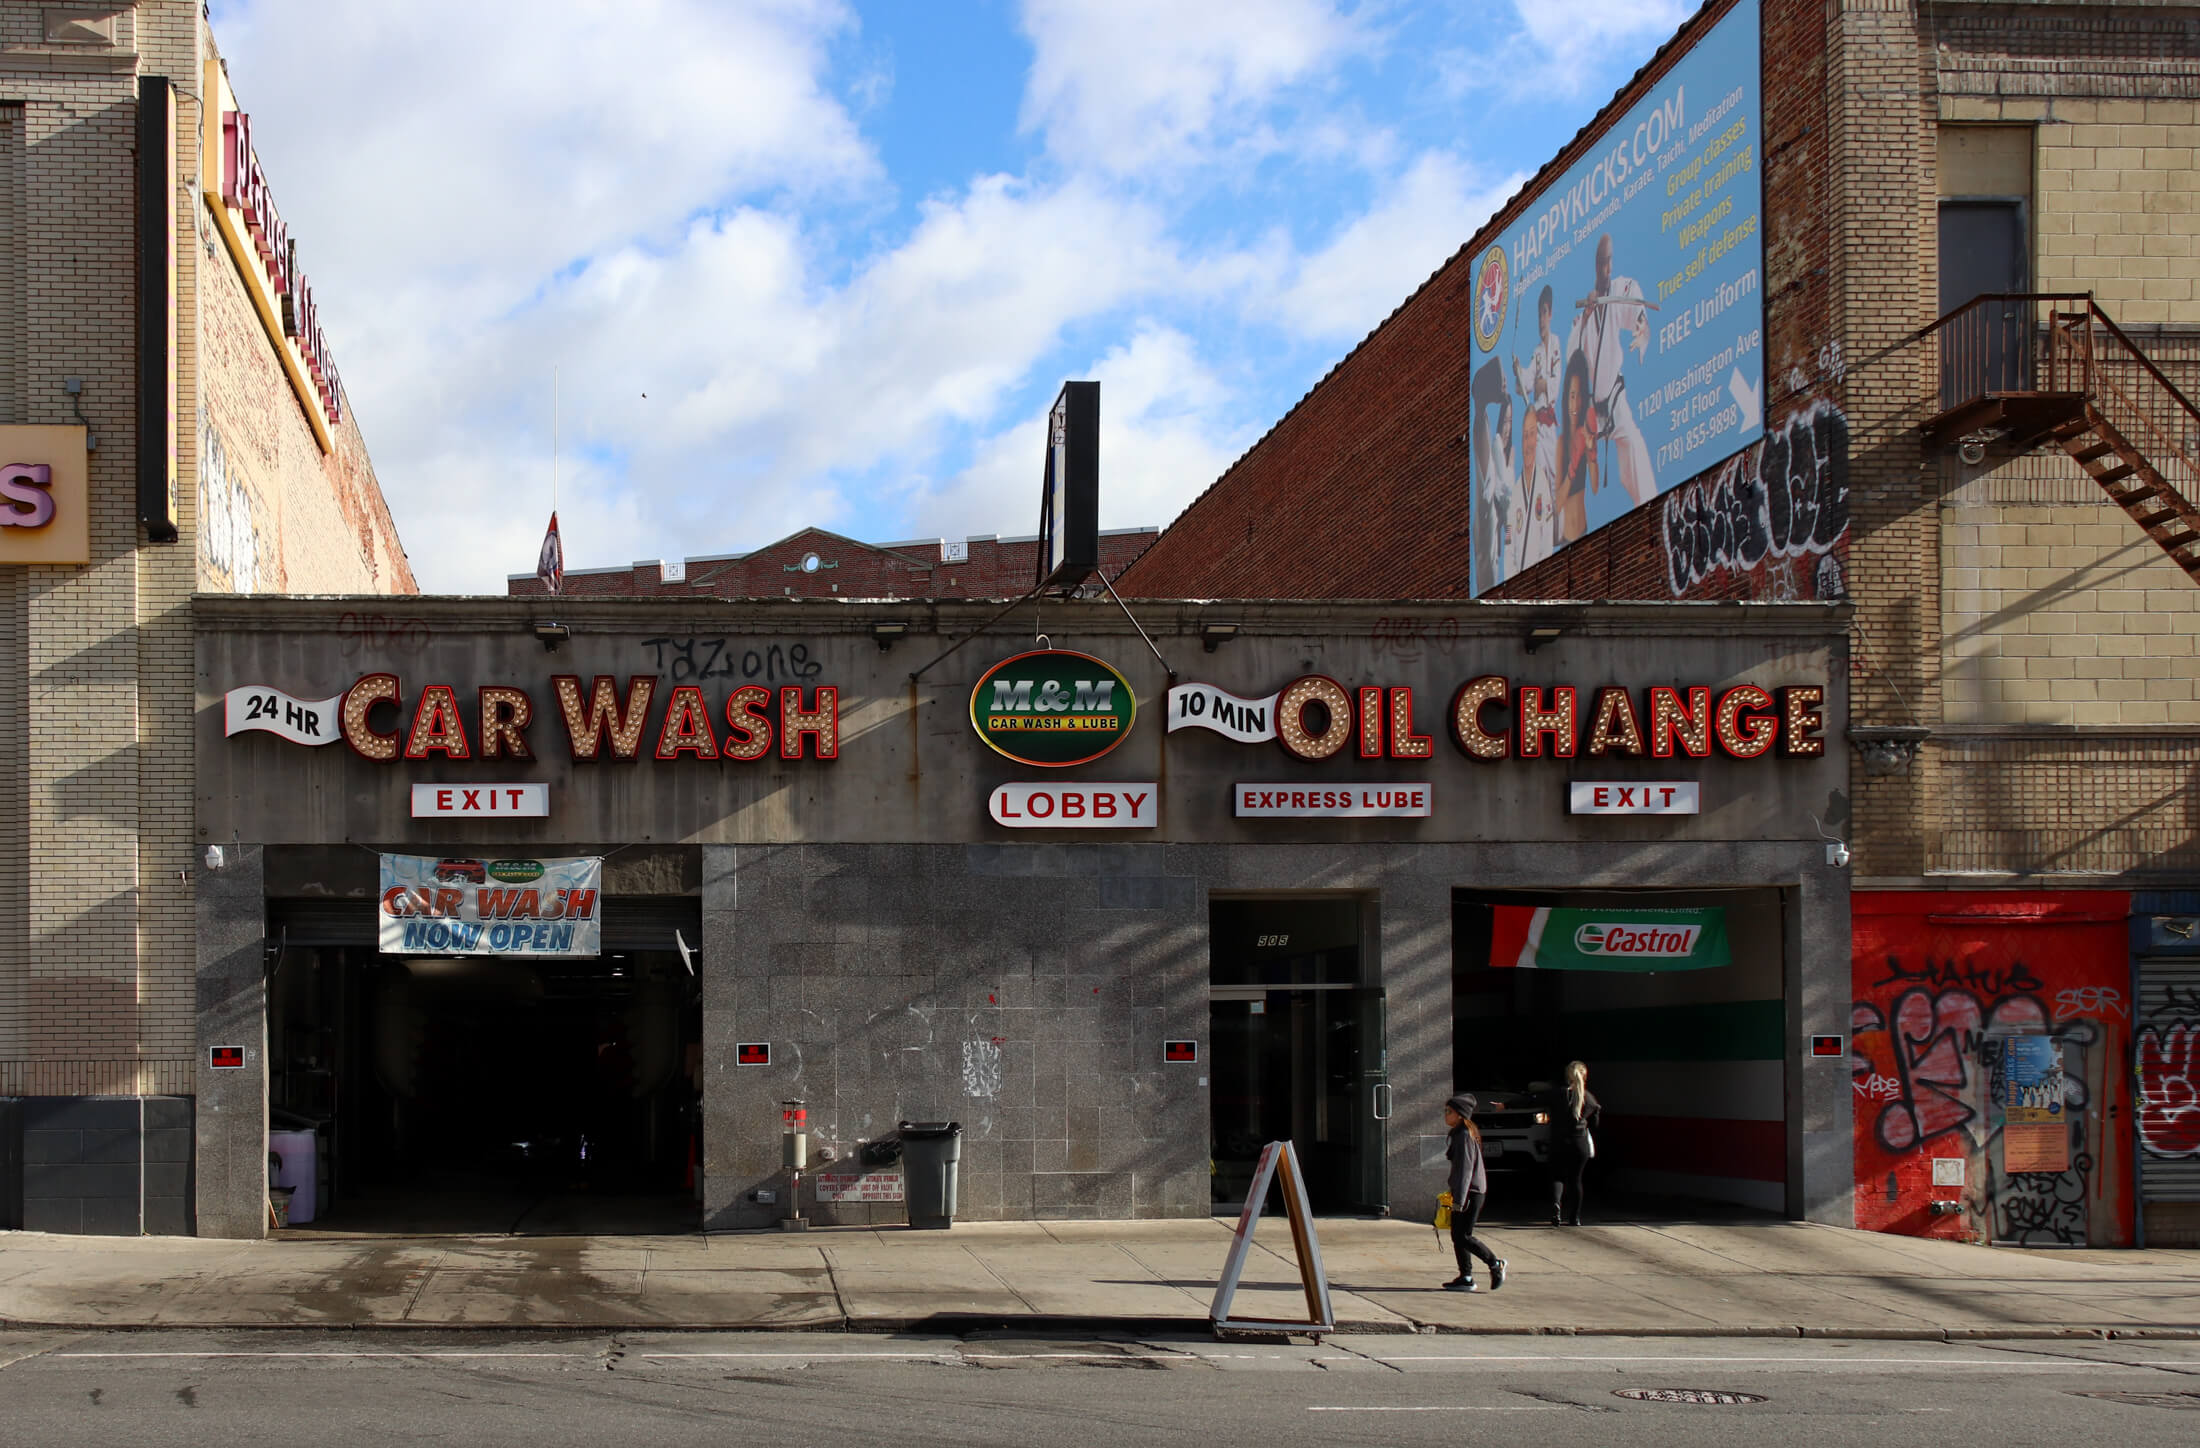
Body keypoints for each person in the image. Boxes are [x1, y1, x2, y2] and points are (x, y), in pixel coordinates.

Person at [1567, 233, 1657, 506]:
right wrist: (1585, 316)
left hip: (1613, 398)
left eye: (1609, 263)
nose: (1606, 269)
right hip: (1590, 408)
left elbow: (1637, 312)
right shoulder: (1586, 311)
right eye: (1601, 264)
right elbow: (1573, 352)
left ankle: (1650, 503)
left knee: (1632, 447)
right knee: (1571, 469)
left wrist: (1642, 328)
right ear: (1595, 266)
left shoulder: (1619, 291)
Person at [1442, 1093, 1507, 1292]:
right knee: (1457, 1235)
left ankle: (1495, 1264)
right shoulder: (1460, 1133)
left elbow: (1465, 1170)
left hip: (1470, 1193)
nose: (1445, 1115)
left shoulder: (1463, 1136)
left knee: (1464, 1236)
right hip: (1465, 1192)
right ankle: (1466, 1277)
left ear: (1460, 1115)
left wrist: (1459, 1200)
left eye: (1449, 1111)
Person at [1549, 1060, 1601, 1227]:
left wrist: (1505, 1105)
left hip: (1559, 1142)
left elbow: (1532, 1100)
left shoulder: (1557, 1094)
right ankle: (1574, 1218)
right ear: (1584, 1075)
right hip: (1579, 1144)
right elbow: (1595, 1125)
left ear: (1567, 1075)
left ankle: (1556, 1204)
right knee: (1576, 1180)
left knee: (1558, 1176)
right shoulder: (1590, 1099)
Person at [1555, 351, 1597, 546]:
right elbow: (1557, 504)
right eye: (1572, 395)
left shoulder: (1585, 433)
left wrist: (1591, 452)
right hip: (1567, 541)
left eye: (1579, 395)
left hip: (1585, 531)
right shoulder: (1561, 443)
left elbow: (1595, 487)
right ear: (1566, 398)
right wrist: (1573, 466)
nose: (1575, 403)